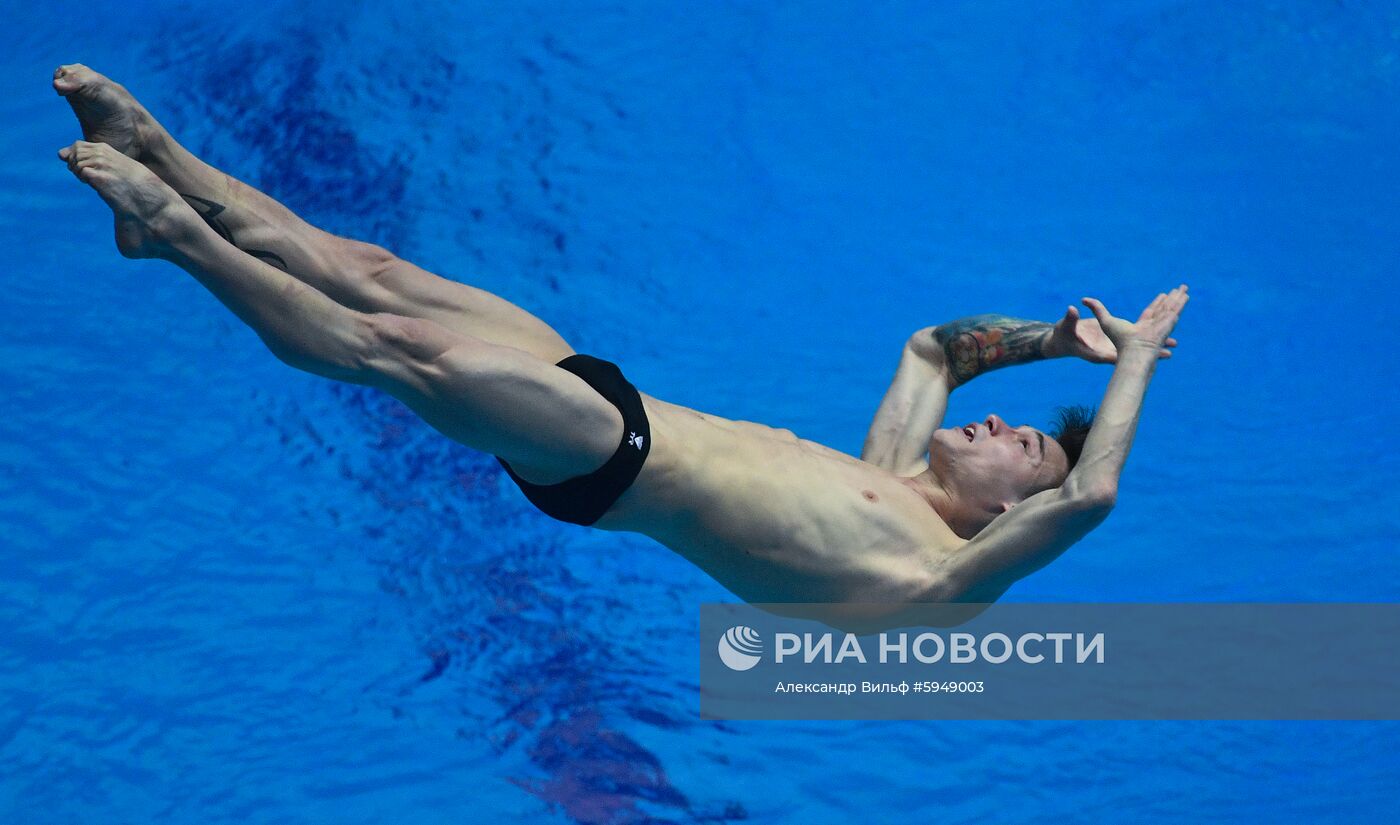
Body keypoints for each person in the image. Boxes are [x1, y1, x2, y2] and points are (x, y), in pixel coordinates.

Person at [53, 64, 1188, 622]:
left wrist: (1136, 356)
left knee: (393, 345)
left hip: (606, 459)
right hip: (605, 392)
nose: (995, 427)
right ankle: (161, 156)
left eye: (1020, 449)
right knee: (371, 270)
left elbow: (1089, 500)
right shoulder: (884, 475)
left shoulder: (932, 577)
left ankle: (170, 236)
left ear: (1013, 514)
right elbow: (932, 350)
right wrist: (1053, 341)